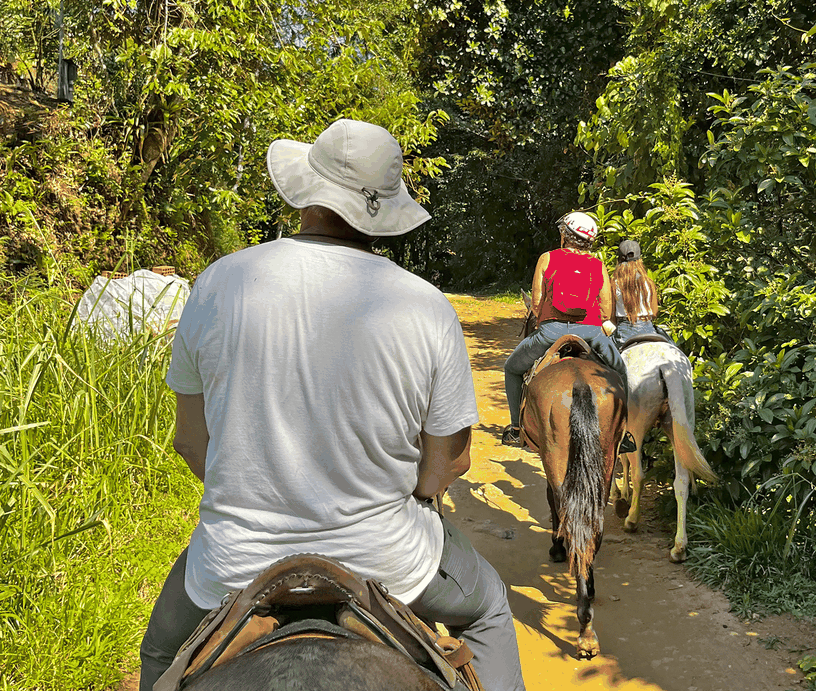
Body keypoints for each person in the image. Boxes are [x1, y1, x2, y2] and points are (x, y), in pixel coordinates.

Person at [140, 119, 526, 691]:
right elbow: (451, 462)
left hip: (235, 562)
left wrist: (249, 487)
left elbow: (190, 442)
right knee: (489, 609)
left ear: (307, 193)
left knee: (160, 655)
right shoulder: (424, 306)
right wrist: (416, 493)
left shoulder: (218, 284)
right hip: (390, 560)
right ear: (384, 211)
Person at [501, 212, 628, 446]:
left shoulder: (547, 258)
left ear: (565, 235)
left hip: (551, 332)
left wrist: (548, 319)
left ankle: (516, 428)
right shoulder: (598, 265)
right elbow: (605, 312)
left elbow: (537, 304)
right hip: (591, 332)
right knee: (621, 370)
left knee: (512, 368)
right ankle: (625, 432)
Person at [609, 240, 674, 350]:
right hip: (647, 328)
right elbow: (654, 312)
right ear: (639, 260)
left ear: (619, 260)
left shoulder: (614, 283)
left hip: (624, 330)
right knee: (674, 351)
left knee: (602, 357)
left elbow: (611, 316)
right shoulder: (648, 282)